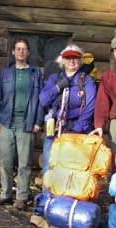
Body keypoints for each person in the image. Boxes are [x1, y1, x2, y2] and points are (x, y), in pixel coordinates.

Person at [0, 37, 44, 210]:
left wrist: (38, 121)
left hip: (26, 123)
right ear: (13, 52)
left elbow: (41, 100)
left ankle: (21, 197)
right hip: (6, 122)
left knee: (24, 163)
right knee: (5, 161)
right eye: (18, 49)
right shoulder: (5, 72)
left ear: (28, 53)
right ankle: (5, 194)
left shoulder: (36, 73)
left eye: (24, 49)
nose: (21, 52)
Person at [39, 44, 97, 181]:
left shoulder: (86, 81)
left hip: (76, 130)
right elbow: (43, 99)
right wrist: (58, 87)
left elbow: (90, 106)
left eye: (75, 58)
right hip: (54, 129)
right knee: (49, 165)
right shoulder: (55, 78)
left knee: (72, 167)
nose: (72, 61)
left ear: (80, 61)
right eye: (68, 58)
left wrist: (77, 128)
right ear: (63, 61)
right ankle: (47, 198)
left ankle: (67, 201)